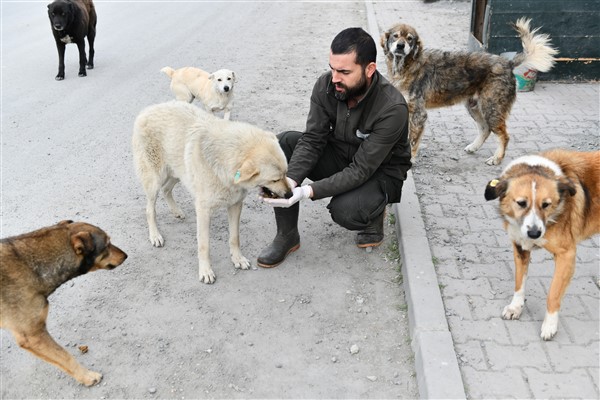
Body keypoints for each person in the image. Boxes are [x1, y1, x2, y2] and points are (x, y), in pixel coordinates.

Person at [258, 27, 411, 268]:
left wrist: (308, 191)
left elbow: (361, 170)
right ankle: (287, 236)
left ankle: (372, 215)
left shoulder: (392, 108)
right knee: (284, 143)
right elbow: (312, 140)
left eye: (344, 71)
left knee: (347, 210)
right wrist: (290, 183)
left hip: (378, 172)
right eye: (332, 68)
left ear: (369, 69)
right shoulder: (326, 85)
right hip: (341, 155)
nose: (335, 77)